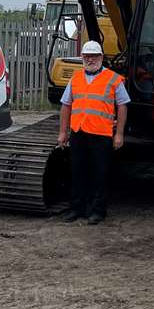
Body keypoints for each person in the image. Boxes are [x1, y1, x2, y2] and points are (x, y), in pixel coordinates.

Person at [57, 40, 129, 224]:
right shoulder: (76, 78)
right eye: (87, 56)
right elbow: (66, 105)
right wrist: (63, 133)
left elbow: (122, 106)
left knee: (99, 174)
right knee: (77, 172)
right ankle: (77, 208)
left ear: (101, 57)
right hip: (79, 132)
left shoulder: (113, 79)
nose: (90, 59)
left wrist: (119, 134)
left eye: (94, 56)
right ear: (82, 57)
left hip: (101, 134)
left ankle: (97, 211)